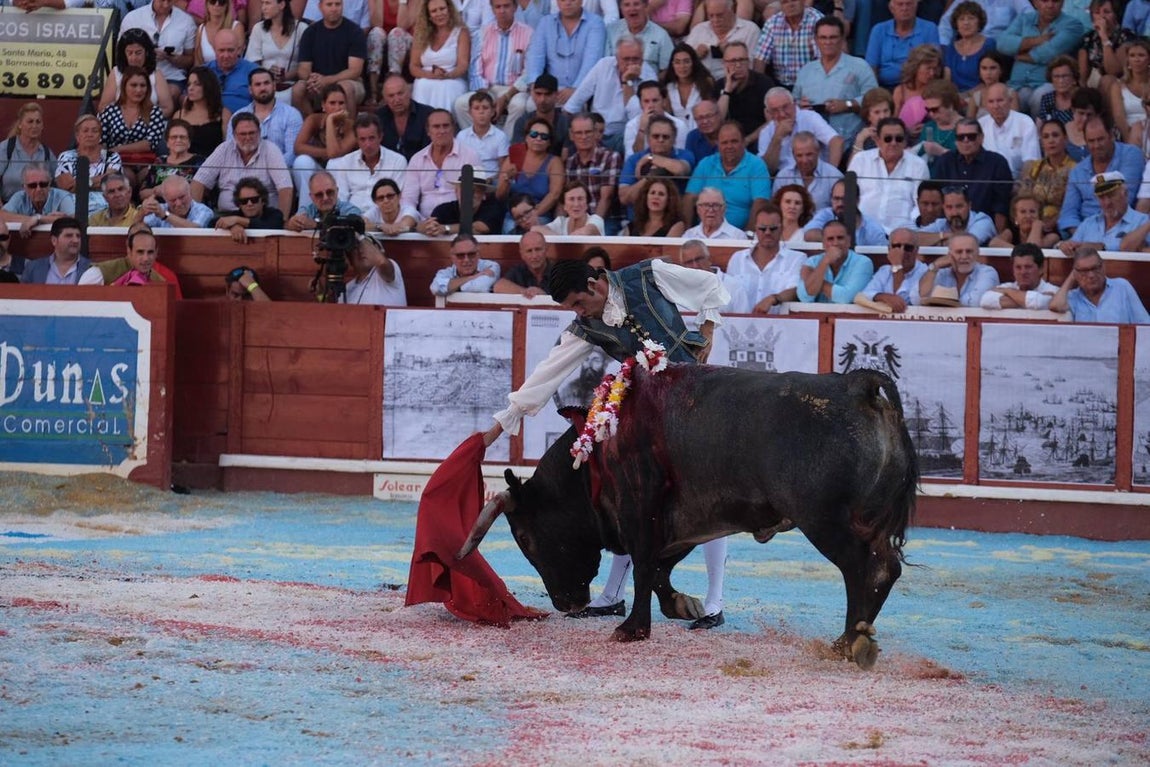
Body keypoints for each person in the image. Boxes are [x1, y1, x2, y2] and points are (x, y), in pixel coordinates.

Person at [482, 257, 732, 630]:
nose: (579, 313)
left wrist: (708, 329)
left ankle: (715, 602)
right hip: (647, 408)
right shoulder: (585, 326)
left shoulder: (650, 274)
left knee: (713, 492)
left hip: (697, 394)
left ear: (595, 285)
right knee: (628, 493)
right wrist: (499, 428)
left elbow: (710, 286)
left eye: (579, 303)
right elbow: (546, 374)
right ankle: (613, 594)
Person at [511, 0, 607, 124]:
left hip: (581, 88)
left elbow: (591, 61)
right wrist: (535, 85)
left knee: (575, 106)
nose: (567, 2)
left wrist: (575, 88)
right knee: (528, 104)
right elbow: (535, 57)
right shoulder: (546, 23)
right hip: (549, 89)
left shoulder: (595, 23)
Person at [562, 36, 657, 154]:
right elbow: (575, 103)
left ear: (642, 59)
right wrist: (567, 142)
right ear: (617, 58)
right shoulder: (603, 65)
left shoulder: (649, 76)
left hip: (625, 135)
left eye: (635, 59)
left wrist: (628, 81)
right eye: (626, 59)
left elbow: (637, 118)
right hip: (595, 133)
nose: (631, 64)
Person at [792, 16, 876, 149]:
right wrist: (800, 107)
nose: (828, 42)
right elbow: (794, 102)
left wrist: (847, 104)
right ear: (816, 40)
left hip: (852, 142)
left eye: (833, 37)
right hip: (813, 145)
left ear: (842, 39)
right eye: (823, 38)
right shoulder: (806, 71)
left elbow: (875, 100)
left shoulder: (860, 66)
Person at [192, 112, 294, 216]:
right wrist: (195, 217)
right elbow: (199, 182)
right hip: (227, 215)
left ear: (259, 132)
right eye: (243, 134)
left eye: (252, 133)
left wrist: (282, 221)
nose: (248, 138)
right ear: (234, 135)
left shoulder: (271, 150)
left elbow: (286, 188)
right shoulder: (224, 149)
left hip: (263, 217)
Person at [996, 0, 1084, 116]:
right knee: (998, 98)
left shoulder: (1073, 25)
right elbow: (1002, 44)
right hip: (1016, 85)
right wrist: (1038, 40)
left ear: (1063, 2)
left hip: (1046, 84)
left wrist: (1020, 53)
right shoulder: (1024, 19)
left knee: (1041, 96)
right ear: (1035, 3)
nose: (1050, 5)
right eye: (1044, 0)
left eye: (1055, 1)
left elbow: (1049, 52)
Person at [1059, 117, 1144, 237]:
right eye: (1091, 141)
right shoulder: (1077, 171)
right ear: (1085, 141)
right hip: (1084, 235)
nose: (1096, 145)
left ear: (1111, 135)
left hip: (1124, 231)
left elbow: (1123, 200)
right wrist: (1083, 237)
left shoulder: (1131, 155)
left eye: (1100, 139)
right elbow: (1068, 214)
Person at [457, 0, 534, 128]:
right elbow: (475, 67)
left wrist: (507, 96)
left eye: (506, 6)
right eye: (498, 7)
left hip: (514, 89)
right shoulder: (483, 33)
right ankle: (476, 141)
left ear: (515, 7)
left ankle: (507, 144)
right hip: (488, 88)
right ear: (492, 9)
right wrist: (485, 94)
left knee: (519, 105)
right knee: (461, 104)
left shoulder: (528, 33)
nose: (502, 10)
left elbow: (529, 72)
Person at [847, 117, 929, 232]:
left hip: (902, 234)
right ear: (878, 141)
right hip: (862, 231)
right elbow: (849, 198)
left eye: (899, 139)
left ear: (905, 141)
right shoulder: (860, 160)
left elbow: (920, 205)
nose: (893, 143)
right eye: (888, 139)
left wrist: (909, 229)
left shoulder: (918, 165)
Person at [930, 118, 1013, 231]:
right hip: (948, 227)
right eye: (961, 137)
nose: (966, 140)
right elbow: (936, 199)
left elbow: (1001, 206)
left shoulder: (997, 163)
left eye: (971, 136)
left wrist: (998, 237)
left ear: (981, 138)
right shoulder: (945, 161)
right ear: (955, 140)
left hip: (984, 227)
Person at [684, 121, 769, 231]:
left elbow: (760, 202)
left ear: (743, 142)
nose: (729, 146)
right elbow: (689, 198)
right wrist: (685, 232)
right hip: (704, 232)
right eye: (724, 142)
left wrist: (748, 237)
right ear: (717, 144)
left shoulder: (757, 165)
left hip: (741, 235)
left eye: (734, 141)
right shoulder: (706, 163)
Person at [403, 110, 483, 220]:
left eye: (446, 126)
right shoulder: (417, 159)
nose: (442, 131)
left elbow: (477, 195)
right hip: (424, 224)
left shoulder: (470, 156)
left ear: (453, 128)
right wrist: (413, 220)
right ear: (428, 131)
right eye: (436, 127)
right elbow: (408, 199)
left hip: (458, 221)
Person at [725, 204, 803, 314]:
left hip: (780, 325)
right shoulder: (737, 258)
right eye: (762, 228)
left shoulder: (796, 258)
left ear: (781, 228)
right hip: (740, 325)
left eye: (773, 228)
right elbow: (728, 292)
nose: (767, 232)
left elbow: (797, 290)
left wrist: (773, 299)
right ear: (755, 229)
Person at [99, 65, 168, 189]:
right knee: (124, 176)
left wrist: (119, 149)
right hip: (116, 162)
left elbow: (150, 143)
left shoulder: (155, 111)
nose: (138, 90)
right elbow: (102, 141)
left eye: (143, 86)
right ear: (124, 86)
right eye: (134, 85)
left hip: (146, 162)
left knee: (148, 176)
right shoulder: (110, 111)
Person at [293, 0, 367, 115]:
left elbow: (355, 71)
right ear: (320, 7)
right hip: (318, 85)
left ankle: (349, 129)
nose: (334, 8)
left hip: (349, 82)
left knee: (344, 87)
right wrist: (312, 79)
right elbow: (303, 68)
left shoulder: (354, 32)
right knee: (298, 89)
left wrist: (327, 80)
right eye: (329, 4)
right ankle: (313, 126)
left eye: (337, 4)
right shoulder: (310, 32)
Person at [326, 114, 408, 213]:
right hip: (353, 218)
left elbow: (396, 200)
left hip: (385, 218)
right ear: (356, 140)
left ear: (380, 136)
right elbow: (341, 198)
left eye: (371, 138)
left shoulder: (397, 161)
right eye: (363, 139)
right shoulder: (346, 162)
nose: (368, 144)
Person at [121, 0, 198, 102]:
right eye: (162, 0)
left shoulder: (186, 21)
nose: (165, 5)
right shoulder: (132, 18)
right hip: (137, 73)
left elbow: (190, 59)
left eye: (169, 1)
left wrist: (171, 58)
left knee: (168, 95)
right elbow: (121, 52)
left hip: (170, 76)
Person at [291, 83, 358, 200]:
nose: (337, 108)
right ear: (323, 105)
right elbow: (298, 147)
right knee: (302, 161)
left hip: (344, 173)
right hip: (320, 168)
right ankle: (306, 208)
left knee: (335, 163)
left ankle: (336, 208)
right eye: (332, 103)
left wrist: (330, 121)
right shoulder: (314, 119)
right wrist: (325, 152)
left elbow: (335, 155)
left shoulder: (351, 126)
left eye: (341, 103)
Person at [1050, 246, 1150, 323]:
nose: (1091, 275)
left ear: (1103, 267)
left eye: (1095, 268)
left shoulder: (1121, 286)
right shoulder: (1073, 297)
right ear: (1075, 273)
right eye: (1084, 271)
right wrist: (1072, 277)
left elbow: (1144, 323)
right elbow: (1056, 306)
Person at [757, 87, 842, 176]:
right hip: (784, 180)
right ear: (768, 112)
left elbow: (836, 141)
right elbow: (768, 170)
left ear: (794, 104)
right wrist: (777, 137)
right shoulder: (766, 132)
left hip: (815, 174)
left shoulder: (810, 118)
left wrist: (830, 174)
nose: (782, 114)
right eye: (775, 110)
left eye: (785, 107)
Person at [1059, 171, 1149, 254]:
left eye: (1111, 196)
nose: (1107, 203)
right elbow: (1071, 245)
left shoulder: (1143, 221)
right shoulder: (1088, 223)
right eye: (1101, 197)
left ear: (1125, 194)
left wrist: (1102, 247)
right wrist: (1065, 246)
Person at [231, 67, 304, 167]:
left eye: (266, 83)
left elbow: (292, 154)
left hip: (280, 172)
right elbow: (231, 150)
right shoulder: (237, 116)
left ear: (274, 86)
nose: (263, 88)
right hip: (245, 172)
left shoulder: (291, 114)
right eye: (258, 84)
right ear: (250, 89)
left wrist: (267, 169)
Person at [496, 116, 564, 222]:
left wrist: (531, 216)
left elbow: (554, 195)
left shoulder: (554, 162)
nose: (538, 139)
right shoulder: (512, 159)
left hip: (540, 216)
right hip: (513, 217)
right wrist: (507, 180)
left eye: (544, 136)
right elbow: (499, 196)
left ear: (549, 142)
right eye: (534, 134)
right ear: (526, 138)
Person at [98, 27, 175, 118]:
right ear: (124, 53)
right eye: (129, 53)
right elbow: (103, 107)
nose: (134, 58)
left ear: (146, 52)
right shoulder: (116, 73)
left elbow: (168, 108)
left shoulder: (156, 74)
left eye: (138, 53)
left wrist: (143, 118)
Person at [1017, 119, 1076, 239]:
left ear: (1065, 139)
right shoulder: (1035, 167)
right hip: (1032, 223)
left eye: (1055, 135)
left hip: (1060, 227)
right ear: (1042, 142)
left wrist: (1052, 222)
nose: (1051, 140)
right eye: (1046, 137)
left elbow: (1072, 206)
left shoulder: (1075, 169)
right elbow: (1024, 197)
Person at [54, 115, 123, 215]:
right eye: (85, 131)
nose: (90, 134)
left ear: (100, 136)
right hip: (72, 207)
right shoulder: (66, 156)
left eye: (94, 131)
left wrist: (81, 183)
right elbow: (67, 186)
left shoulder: (112, 157)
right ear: (77, 136)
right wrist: (97, 181)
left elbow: (110, 183)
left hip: (104, 207)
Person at [865, 0, 940, 89]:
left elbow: (935, 63)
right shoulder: (878, 30)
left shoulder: (930, 28)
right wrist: (876, 92)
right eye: (900, 4)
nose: (904, 8)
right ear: (892, 9)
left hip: (918, 87)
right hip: (884, 88)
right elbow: (871, 66)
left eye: (909, 4)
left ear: (916, 6)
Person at [565, 113, 621, 232]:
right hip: (577, 219)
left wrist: (592, 226)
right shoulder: (570, 162)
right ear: (571, 135)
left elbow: (606, 198)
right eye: (579, 133)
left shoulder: (610, 157)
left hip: (606, 219)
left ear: (595, 133)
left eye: (588, 132)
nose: (584, 137)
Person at [797, 218, 874, 304]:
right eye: (830, 239)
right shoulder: (812, 262)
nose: (835, 243)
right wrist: (824, 262)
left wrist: (814, 278)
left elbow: (846, 297)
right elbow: (804, 297)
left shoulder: (863, 262)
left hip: (847, 316)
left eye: (840, 238)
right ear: (823, 243)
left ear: (849, 241)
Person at [684, 0, 760, 81]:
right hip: (701, 84)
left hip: (735, 84)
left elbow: (753, 68)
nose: (715, 20)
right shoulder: (699, 30)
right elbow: (681, 61)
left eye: (720, 15)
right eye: (711, 16)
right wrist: (695, 55)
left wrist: (730, 53)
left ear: (732, 10)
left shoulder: (750, 30)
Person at [855, 228, 928, 313]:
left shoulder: (925, 272)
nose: (902, 252)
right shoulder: (884, 271)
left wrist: (897, 266)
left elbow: (902, 300)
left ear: (916, 250)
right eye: (896, 246)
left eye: (908, 248)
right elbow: (865, 294)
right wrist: (883, 296)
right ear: (889, 249)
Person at [916, 232, 998, 307]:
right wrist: (934, 267)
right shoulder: (941, 272)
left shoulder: (988, 273)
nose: (964, 256)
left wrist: (938, 300)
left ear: (978, 253)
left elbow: (974, 302)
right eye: (959, 252)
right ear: (949, 254)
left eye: (969, 251)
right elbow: (917, 298)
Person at [752, 0, 820, 90]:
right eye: (786, 2)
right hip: (780, 85)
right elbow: (760, 58)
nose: (790, 5)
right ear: (781, 5)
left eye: (794, 1)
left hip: (811, 84)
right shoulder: (773, 23)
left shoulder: (816, 20)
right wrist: (758, 87)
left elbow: (822, 60)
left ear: (803, 2)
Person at [244, 0, 308, 94]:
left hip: (294, 86)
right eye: (262, 3)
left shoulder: (301, 28)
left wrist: (286, 76)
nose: (263, 8)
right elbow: (252, 63)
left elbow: (306, 65)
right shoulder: (258, 28)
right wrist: (268, 73)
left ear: (281, 5)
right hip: (265, 85)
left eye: (268, 3)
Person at [802, 178, 889, 246]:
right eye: (836, 199)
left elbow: (881, 257)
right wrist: (840, 241)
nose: (840, 203)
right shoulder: (826, 214)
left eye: (845, 199)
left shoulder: (873, 229)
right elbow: (809, 234)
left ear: (857, 200)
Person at [716, 41, 774, 144]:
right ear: (724, 64)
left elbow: (773, 120)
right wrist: (727, 91)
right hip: (728, 142)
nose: (738, 65)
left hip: (758, 139)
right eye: (733, 61)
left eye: (742, 60)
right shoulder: (718, 85)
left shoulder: (764, 83)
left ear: (748, 62)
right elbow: (717, 120)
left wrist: (748, 140)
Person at [978, 83, 1040, 177]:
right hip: (985, 181)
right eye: (991, 101)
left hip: (1016, 180)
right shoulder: (980, 124)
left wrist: (1020, 185)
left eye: (1000, 100)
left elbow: (1031, 161)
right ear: (986, 105)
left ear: (1010, 101)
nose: (996, 106)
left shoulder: (1025, 122)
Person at [170, 66, 231, 158]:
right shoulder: (179, 115)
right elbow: (173, 148)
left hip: (214, 165)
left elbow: (228, 146)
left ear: (208, 86)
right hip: (186, 167)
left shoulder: (224, 114)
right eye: (189, 84)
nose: (190, 88)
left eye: (197, 84)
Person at [678, 239, 752, 314]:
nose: (695, 266)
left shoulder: (734, 287)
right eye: (689, 262)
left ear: (709, 259)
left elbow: (744, 322)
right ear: (683, 266)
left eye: (699, 259)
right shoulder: (677, 290)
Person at [1, 103, 56, 203]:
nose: (34, 126)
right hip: (8, 208)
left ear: (42, 126)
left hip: (39, 209)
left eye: (38, 122)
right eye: (30, 122)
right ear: (20, 125)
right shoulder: (5, 149)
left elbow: (56, 185)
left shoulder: (47, 153)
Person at [421, 170, 504, 236]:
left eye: (475, 191)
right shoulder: (443, 209)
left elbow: (481, 227)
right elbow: (428, 225)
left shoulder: (492, 208)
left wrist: (445, 229)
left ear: (484, 195)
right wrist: (428, 227)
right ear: (456, 191)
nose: (469, 194)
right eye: (465, 189)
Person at [979, 242, 1058, 311]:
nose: (1023, 272)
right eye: (1018, 267)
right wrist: (1028, 301)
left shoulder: (1055, 291)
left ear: (1041, 269)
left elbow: (1040, 302)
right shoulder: (1008, 286)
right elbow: (985, 300)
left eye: (1028, 267)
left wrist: (1008, 292)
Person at [507, 74, 572, 157]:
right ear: (533, 94)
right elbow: (517, 156)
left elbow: (566, 157)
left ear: (556, 95)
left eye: (547, 94)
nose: (542, 100)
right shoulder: (522, 122)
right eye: (538, 94)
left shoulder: (565, 123)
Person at [138, 120, 203, 203]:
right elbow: (142, 194)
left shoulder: (199, 162)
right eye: (174, 137)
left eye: (182, 137)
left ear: (189, 142)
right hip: (159, 208)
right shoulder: (159, 161)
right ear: (167, 143)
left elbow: (204, 192)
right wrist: (157, 191)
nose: (178, 140)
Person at [78, 228, 168, 287]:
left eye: (150, 252)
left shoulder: (159, 281)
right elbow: (81, 297)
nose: (145, 258)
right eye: (140, 252)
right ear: (129, 251)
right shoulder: (102, 271)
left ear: (156, 253)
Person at [912, 185, 997, 245]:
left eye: (959, 206)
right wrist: (944, 235)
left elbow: (966, 243)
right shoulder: (941, 223)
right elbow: (913, 238)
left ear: (969, 206)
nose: (954, 212)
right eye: (949, 207)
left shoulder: (983, 221)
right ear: (943, 208)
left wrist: (935, 241)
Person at [376, 74, 435, 161]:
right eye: (391, 96)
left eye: (400, 93)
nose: (397, 99)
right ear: (385, 98)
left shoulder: (428, 114)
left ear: (409, 93)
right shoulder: (378, 117)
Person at [2, 163, 75, 234]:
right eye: (32, 185)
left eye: (43, 184)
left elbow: (73, 218)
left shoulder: (62, 196)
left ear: (49, 184)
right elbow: (2, 215)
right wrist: (32, 220)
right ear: (24, 187)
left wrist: (38, 218)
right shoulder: (20, 197)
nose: (38, 189)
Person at [942, 1, 996, 93]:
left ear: (979, 22)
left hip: (981, 95)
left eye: (971, 18)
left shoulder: (989, 45)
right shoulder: (951, 47)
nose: (966, 23)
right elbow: (947, 79)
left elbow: (989, 80)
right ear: (956, 24)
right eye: (961, 19)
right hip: (955, 97)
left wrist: (966, 96)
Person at [662, 42, 717, 131]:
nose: (682, 66)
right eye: (677, 62)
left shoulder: (706, 83)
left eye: (686, 61)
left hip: (702, 131)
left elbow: (712, 112)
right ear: (672, 65)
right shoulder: (668, 88)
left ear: (693, 63)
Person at [892, 44, 944, 138]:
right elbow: (893, 123)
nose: (932, 73)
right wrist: (907, 131)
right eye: (928, 68)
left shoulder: (939, 90)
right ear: (915, 67)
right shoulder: (900, 91)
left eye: (935, 69)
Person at [340, 234, 407, 306]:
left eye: (365, 246)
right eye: (355, 248)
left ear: (380, 251)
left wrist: (359, 236)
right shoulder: (346, 289)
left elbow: (381, 262)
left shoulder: (390, 270)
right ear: (350, 259)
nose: (361, 250)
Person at [609, 0, 674, 73]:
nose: (632, 8)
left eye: (636, 4)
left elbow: (667, 69)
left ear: (646, 5)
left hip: (648, 82)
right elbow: (606, 64)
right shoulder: (611, 31)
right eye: (627, 5)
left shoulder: (661, 35)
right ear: (621, 8)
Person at [214, 177, 286, 242]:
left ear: (263, 200)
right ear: (239, 204)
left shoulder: (275, 214)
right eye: (244, 201)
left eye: (254, 199)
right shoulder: (235, 215)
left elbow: (270, 226)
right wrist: (233, 226)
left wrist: (237, 220)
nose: (249, 204)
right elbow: (211, 223)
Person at [20, 217, 90, 285]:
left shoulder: (89, 268)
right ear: (54, 240)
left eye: (78, 236)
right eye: (69, 236)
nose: (76, 240)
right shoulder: (33, 268)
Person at [287, 171, 363, 232]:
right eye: (319, 194)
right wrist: (292, 224)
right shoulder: (306, 211)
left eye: (329, 192)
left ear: (337, 191)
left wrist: (316, 225)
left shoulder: (350, 210)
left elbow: (355, 225)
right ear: (311, 197)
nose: (325, 198)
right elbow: (290, 225)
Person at [206, 28, 259, 114]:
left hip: (243, 121)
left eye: (230, 50)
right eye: (221, 50)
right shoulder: (204, 72)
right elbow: (186, 97)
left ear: (238, 49)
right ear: (214, 49)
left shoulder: (254, 71)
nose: (226, 55)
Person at [429, 233, 501, 296]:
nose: (466, 260)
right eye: (460, 255)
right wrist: (474, 276)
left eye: (471, 254)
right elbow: (435, 288)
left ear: (478, 254)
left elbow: (479, 287)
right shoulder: (445, 272)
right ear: (452, 257)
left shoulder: (491, 266)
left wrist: (450, 287)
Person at [912, 79, 963, 167]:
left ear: (950, 105)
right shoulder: (929, 127)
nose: (931, 114)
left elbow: (971, 162)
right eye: (928, 110)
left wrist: (942, 152)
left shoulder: (967, 127)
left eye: (935, 109)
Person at [1109, 38, 1150, 148]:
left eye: (1141, 55)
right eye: (1132, 55)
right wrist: (1130, 143)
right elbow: (1119, 117)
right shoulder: (1118, 86)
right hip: (1127, 134)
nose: (1136, 59)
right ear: (1128, 60)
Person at [141, 175, 216, 229]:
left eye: (182, 197)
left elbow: (195, 229)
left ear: (189, 192)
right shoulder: (160, 208)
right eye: (173, 200)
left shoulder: (203, 210)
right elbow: (138, 229)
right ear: (165, 199)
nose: (179, 203)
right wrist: (142, 212)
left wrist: (165, 215)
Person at [493, 229, 553, 296]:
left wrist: (544, 295)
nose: (534, 256)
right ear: (522, 254)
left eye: (538, 249)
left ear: (546, 249)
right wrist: (526, 292)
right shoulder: (519, 270)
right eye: (529, 251)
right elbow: (498, 286)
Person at [990, 193, 1060, 249]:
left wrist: (1037, 226)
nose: (1028, 216)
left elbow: (1032, 248)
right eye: (1023, 212)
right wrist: (1017, 251)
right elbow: (993, 243)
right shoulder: (1011, 232)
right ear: (1015, 217)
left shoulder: (1052, 235)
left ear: (1039, 215)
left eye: (1032, 211)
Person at [847, 86, 896, 162]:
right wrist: (860, 141)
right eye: (877, 112)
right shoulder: (860, 133)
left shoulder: (900, 130)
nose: (882, 116)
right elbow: (851, 168)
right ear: (868, 115)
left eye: (886, 111)